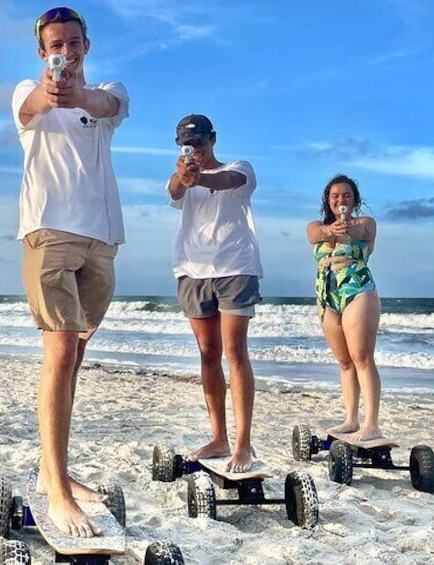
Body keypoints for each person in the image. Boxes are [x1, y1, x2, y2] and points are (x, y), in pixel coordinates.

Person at [11, 6, 129, 538]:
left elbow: (109, 103)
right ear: (43, 51)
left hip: (101, 239)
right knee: (59, 352)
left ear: (87, 44)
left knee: (75, 355)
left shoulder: (106, 95)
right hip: (50, 231)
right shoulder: (25, 93)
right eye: (56, 44)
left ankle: (51, 468)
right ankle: (56, 490)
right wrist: (52, 90)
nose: (66, 51)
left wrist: (79, 95)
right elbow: (33, 105)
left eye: (74, 42)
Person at [167, 114, 262, 473]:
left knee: (235, 351)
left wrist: (200, 176)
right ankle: (219, 435)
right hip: (193, 269)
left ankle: (243, 443)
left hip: (235, 266)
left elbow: (228, 180)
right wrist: (184, 176)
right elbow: (175, 192)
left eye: (201, 144)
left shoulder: (240, 168)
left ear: (213, 140)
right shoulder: (181, 176)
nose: (196, 151)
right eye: (188, 146)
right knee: (208, 353)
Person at [307, 174, 381, 441]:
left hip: (357, 290)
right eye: (335, 195)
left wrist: (345, 227)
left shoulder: (365, 223)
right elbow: (315, 234)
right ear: (328, 200)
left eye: (347, 195)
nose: (341, 199)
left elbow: (362, 233)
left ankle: (371, 423)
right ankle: (351, 419)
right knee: (344, 362)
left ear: (354, 200)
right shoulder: (317, 226)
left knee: (362, 357)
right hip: (327, 295)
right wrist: (330, 230)